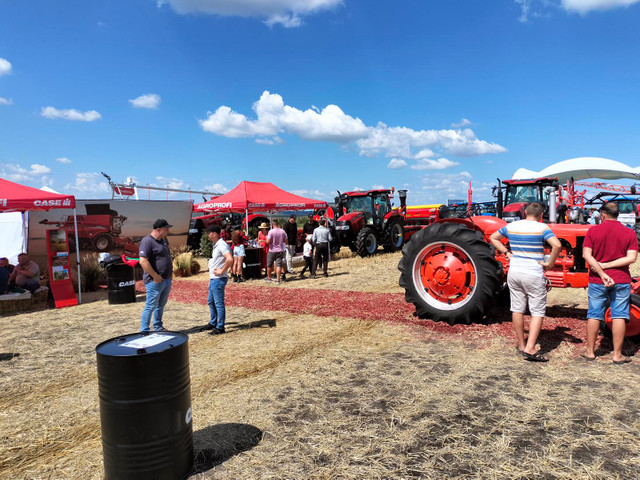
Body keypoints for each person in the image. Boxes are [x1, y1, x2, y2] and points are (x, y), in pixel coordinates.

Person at [490, 202, 561, 362]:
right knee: (537, 312)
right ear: (541, 215)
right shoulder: (542, 228)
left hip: (515, 272)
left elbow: (493, 238)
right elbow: (557, 245)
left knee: (517, 309)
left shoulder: (512, 226)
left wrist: (506, 252)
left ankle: (522, 345)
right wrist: (550, 264)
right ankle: (530, 348)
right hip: (533, 273)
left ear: (525, 212)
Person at [582, 202, 638, 364]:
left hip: (597, 279)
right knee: (620, 315)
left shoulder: (593, 231)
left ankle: (590, 352)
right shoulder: (629, 233)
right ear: (617, 215)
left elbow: (586, 255)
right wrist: (609, 266)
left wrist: (602, 267)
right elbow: (631, 258)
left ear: (603, 215)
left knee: (593, 314)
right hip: (621, 279)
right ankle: (617, 355)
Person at [139, 219, 173, 333]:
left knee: (161, 305)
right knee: (150, 306)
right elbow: (143, 261)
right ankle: (144, 330)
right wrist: (154, 276)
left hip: (166, 279)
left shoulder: (163, 241)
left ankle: (158, 326)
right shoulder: (147, 241)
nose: (168, 231)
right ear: (158, 230)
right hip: (154, 281)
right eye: (166, 229)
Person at [204, 225, 233, 335]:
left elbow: (229, 259)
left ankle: (220, 326)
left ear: (215, 234)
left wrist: (222, 270)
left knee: (218, 303)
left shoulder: (222, 245)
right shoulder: (217, 245)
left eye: (209, 232)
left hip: (218, 278)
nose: (208, 235)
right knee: (211, 301)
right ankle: (213, 322)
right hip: (214, 278)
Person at [266, 219, 288, 284]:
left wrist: (266, 239)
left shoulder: (271, 231)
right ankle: (278, 280)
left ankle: (269, 278)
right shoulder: (282, 231)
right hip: (280, 250)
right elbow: (286, 241)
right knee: (278, 265)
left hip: (272, 250)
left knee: (269, 265)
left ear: (272, 224)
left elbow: (268, 241)